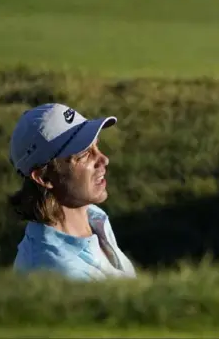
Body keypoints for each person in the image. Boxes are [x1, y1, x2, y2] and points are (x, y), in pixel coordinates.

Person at [8, 103, 137, 281]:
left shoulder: (94, 216)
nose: (103, 160)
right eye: (84, 154)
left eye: (97, 146)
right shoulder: (55, 273)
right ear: (44, 178)